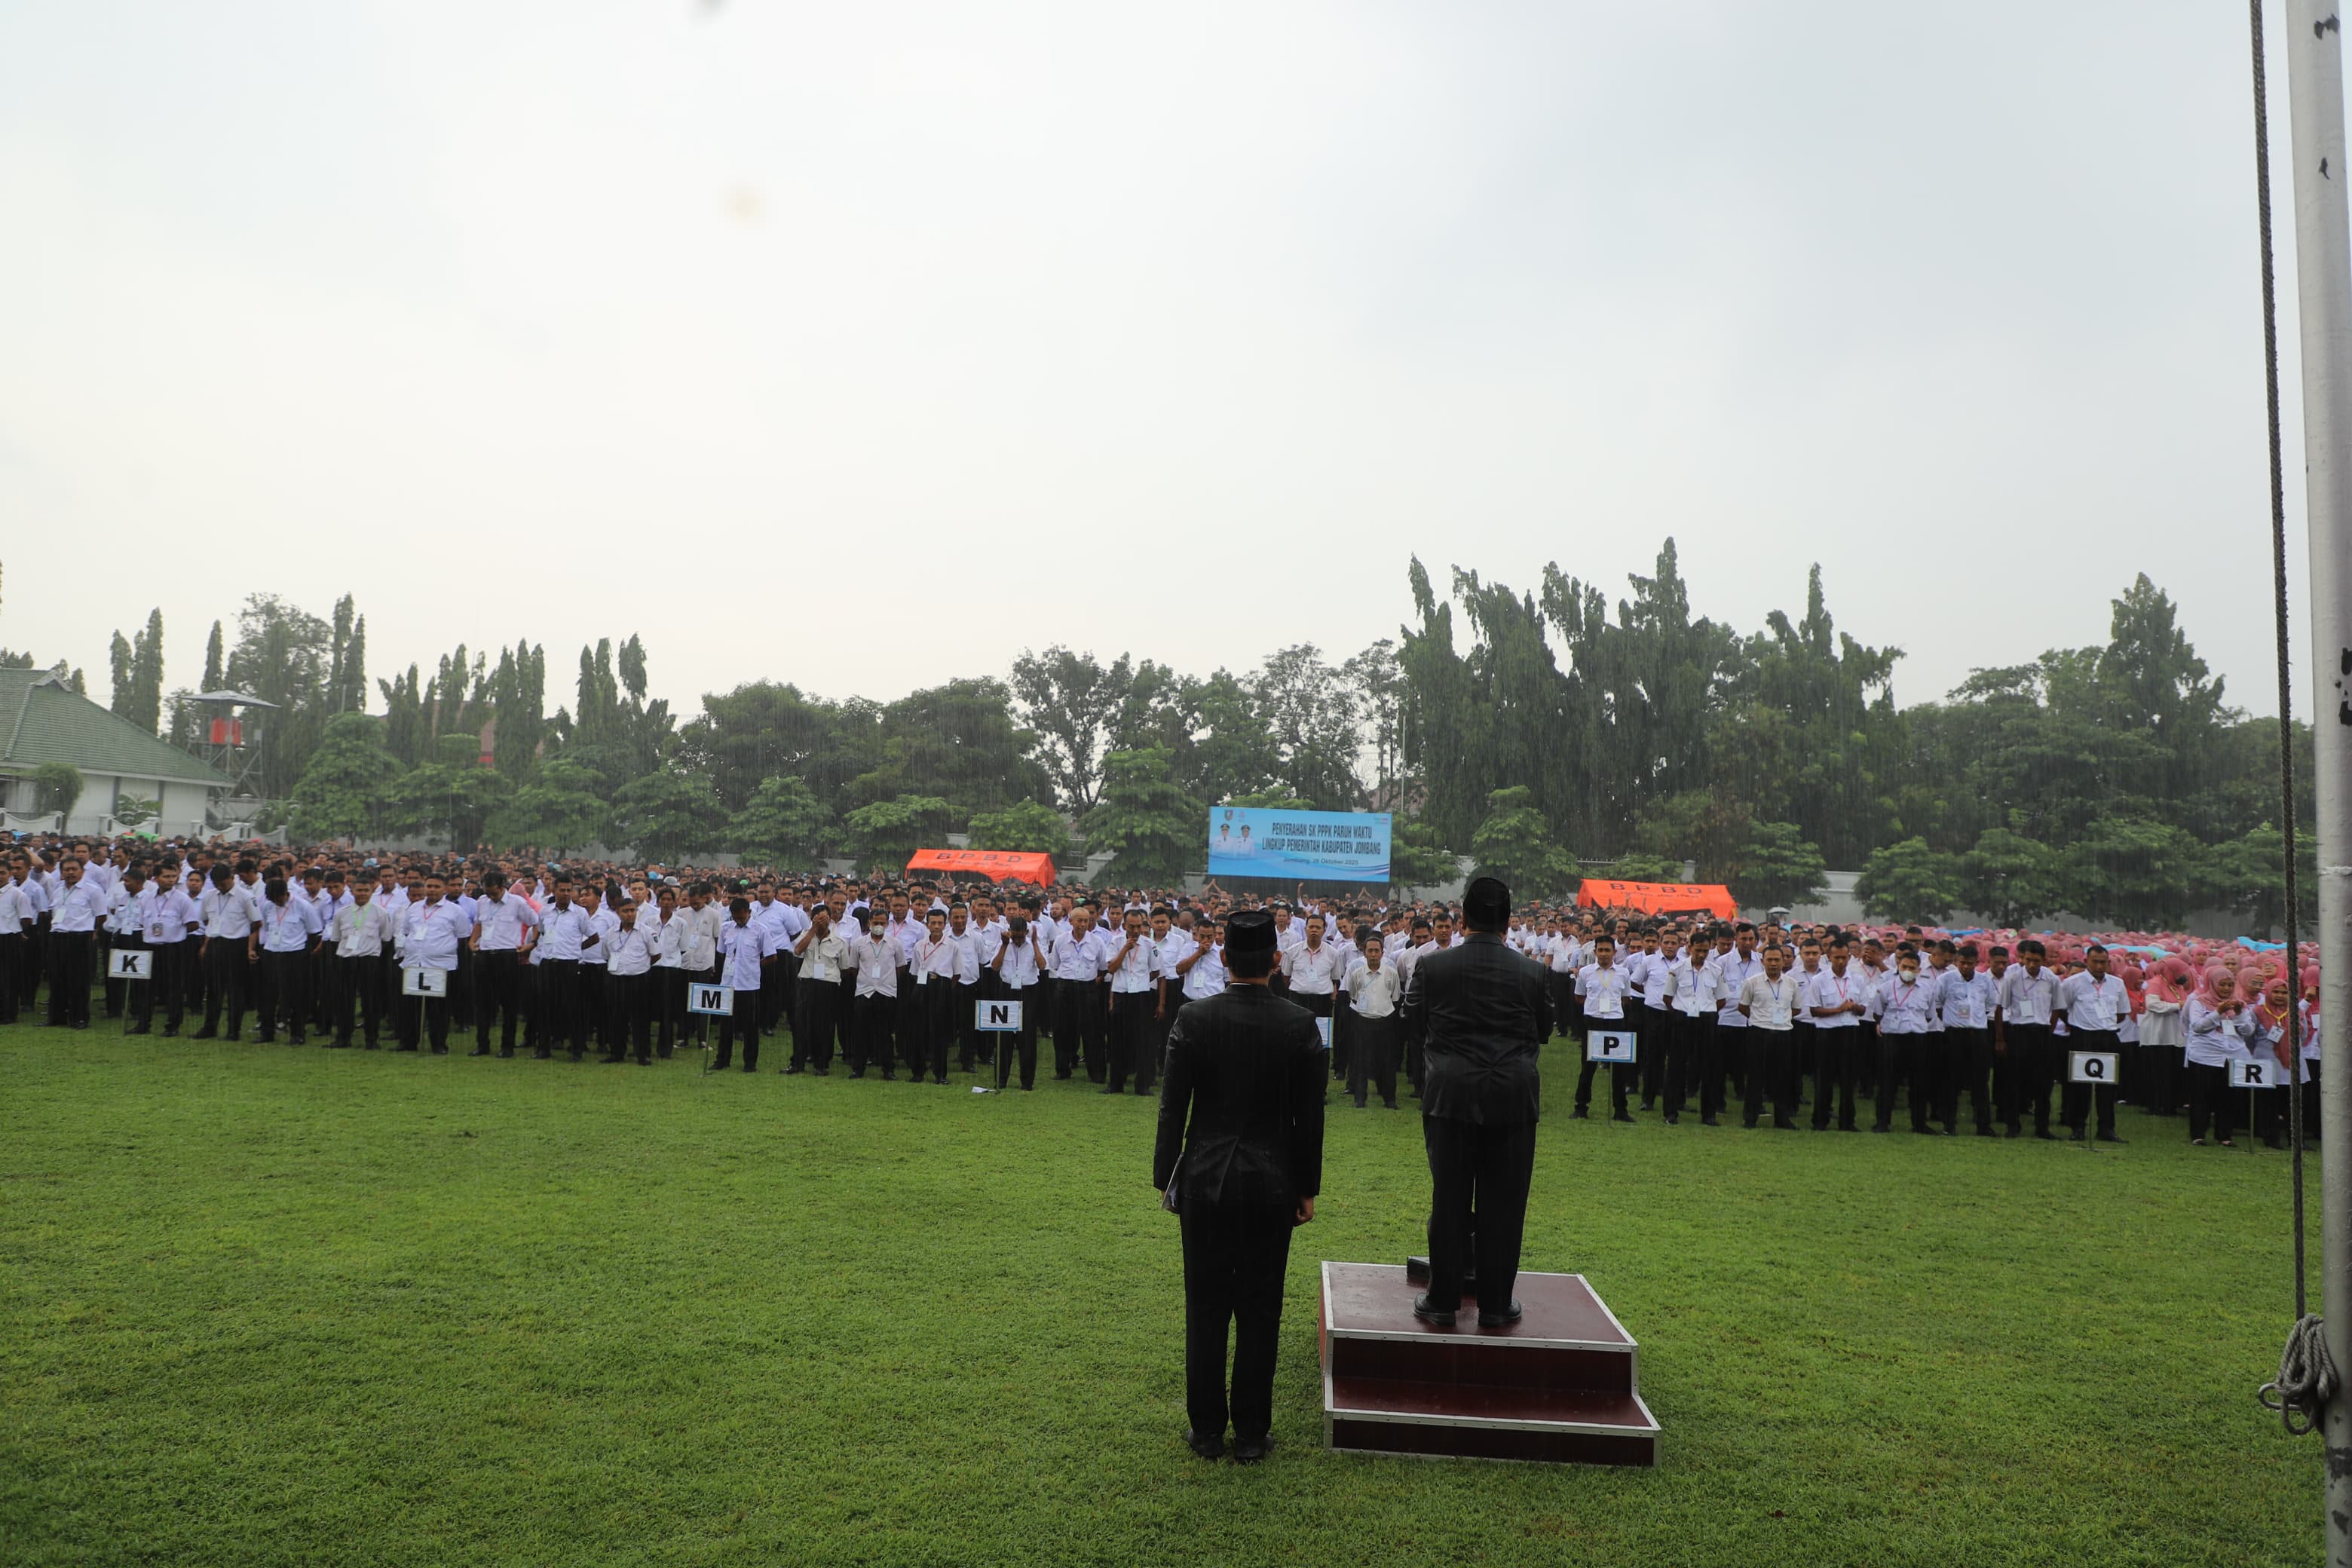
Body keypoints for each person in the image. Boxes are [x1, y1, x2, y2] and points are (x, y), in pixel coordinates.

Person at [1150, 908, 1325, 1465]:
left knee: (1204, 1308)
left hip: (1205, 1180)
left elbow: (1172, 1107)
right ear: (1276, 961)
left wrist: (1166, 1177)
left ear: (1223, 958)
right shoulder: (1300, 1024)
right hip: (1273, 1182)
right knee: (1260, 1308)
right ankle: (1250, 1432)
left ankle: (1205, 1430)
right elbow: (1309, 1119)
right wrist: (1306, 1186)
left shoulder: (1194, 1018)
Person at [1402, 875, 1552, 1330]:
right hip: (1511, 1096)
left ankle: (1443, 1299)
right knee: (1504, 1202)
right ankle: (1495, 1302)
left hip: (1451, 1096)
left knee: (1448, 1199)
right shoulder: (1531, 972)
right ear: (1508, 922)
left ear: (1462, 918)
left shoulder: (1435, 967)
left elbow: (1412, 1018)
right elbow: (1544, 1029)